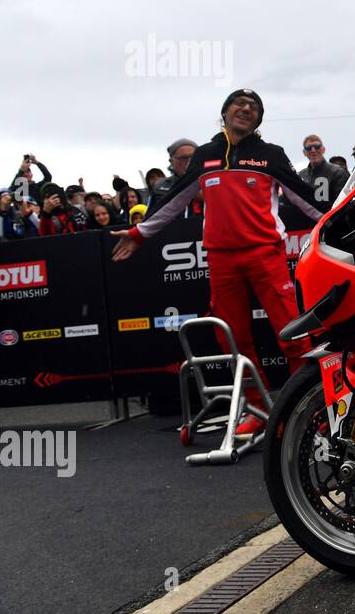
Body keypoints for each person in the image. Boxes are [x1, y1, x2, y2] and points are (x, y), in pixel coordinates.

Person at [111, 90, 324, 437]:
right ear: (224, 113)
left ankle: (312, 409)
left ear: (258, 120)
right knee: (233, 340)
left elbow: (304, 198)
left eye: (253, 107)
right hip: (222, 259)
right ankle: (257, 409)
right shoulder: (206, 156)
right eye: (239, 104)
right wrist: (139, 233)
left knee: (293, 334)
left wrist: (340, 224)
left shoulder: (270, 155)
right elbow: (173, 198)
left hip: (265, 254)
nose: (246, 109)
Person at [296, 134, 349, 206]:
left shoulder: (338, 173)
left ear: (323, 149)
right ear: (304, 152)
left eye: (317, 146)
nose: (313, 150)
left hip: (332, 216)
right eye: (309, 147)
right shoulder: (300, 176)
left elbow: (345, 203)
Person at [147, 138, 197, 213]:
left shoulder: (208, 182)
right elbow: (149, 218)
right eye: (183, 158)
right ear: (172, 161)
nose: (189, 162)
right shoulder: (160, 187)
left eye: (193, 157)